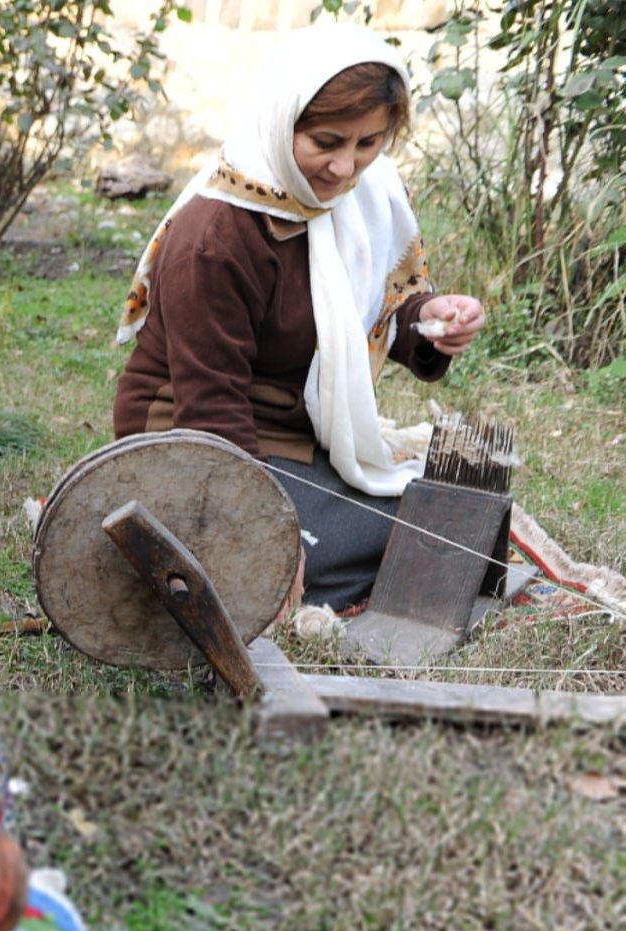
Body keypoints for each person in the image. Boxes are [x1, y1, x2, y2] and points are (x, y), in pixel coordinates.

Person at [112, 23, 486, 611]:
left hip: (295, 435)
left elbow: (380, 309)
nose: (345, 167)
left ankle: (260, 577)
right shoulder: (218, 235)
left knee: (455, 521)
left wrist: (429, 318)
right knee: (419, 537)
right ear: (282, 121)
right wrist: (262, 529)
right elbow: (210, 409)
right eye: (327, 141)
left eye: (368, 142)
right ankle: (235, 578)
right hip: (193, 437)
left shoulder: (368, 194)